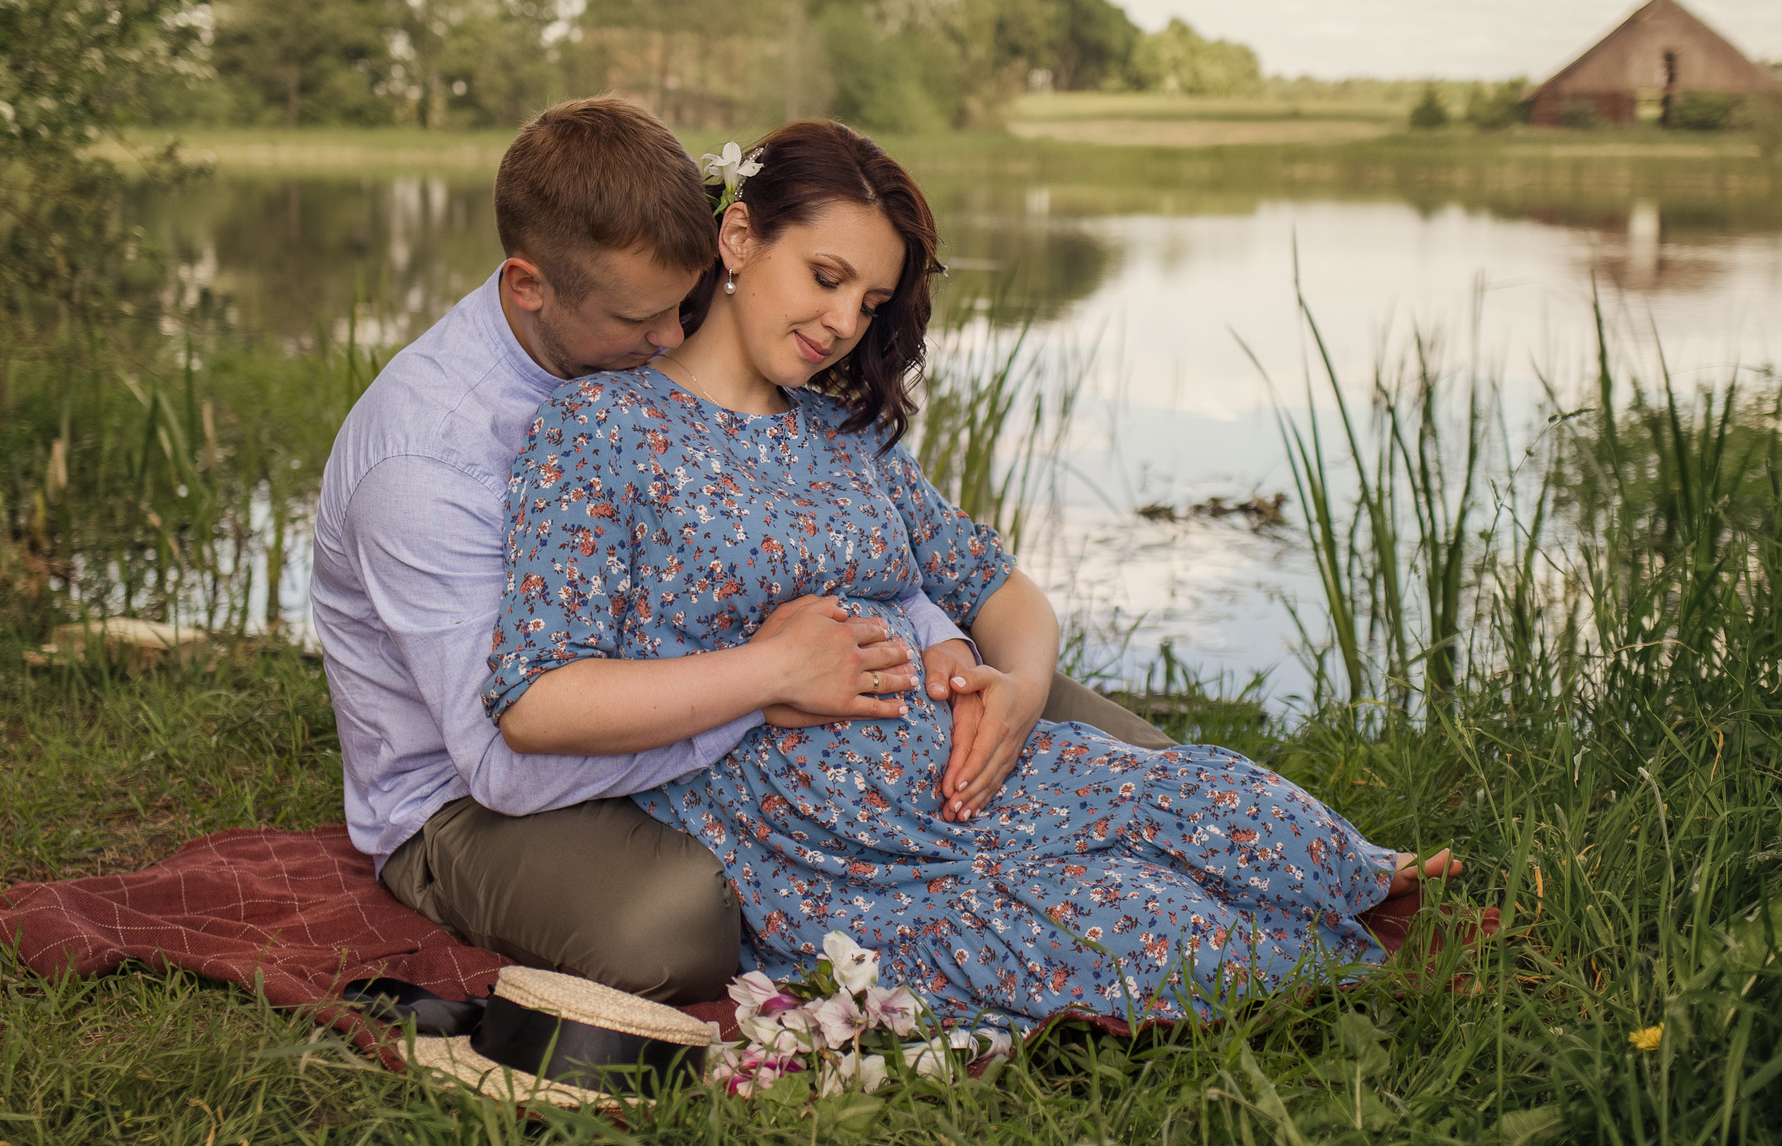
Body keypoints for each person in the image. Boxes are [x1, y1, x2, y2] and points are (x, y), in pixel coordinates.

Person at [481, 120, 1452, 1028]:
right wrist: (769, 671)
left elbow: (999, 587)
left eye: (869, 303)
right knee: (1143, 926)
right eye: (825, 276)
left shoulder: (841, 434)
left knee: (1227, 804)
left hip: (963, 762)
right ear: (737, 238)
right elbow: (536, 699)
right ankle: (1359, 965)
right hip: (828, 829)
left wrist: (1017, 692)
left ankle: (1387, 902)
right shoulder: (602, 426)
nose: (842, 322)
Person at [310, 97, 1172, 1004]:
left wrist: (939, 636)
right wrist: (771, 683)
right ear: (529, 286)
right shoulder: (427, 464)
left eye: (681, 300)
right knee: (678, 924)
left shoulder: (690, 371)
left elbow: (900, 555)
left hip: (770, 697)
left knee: (1121, 751)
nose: (673, 336)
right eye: (643, 317)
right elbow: (507, 755)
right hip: (467, 797)